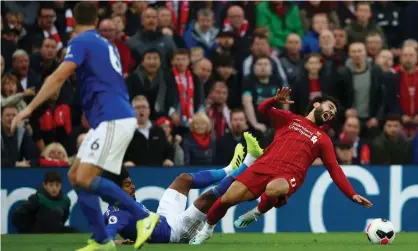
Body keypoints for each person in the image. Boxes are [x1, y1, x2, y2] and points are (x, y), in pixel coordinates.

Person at [10, 2, 159, 250]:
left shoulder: (81, 41)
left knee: (86, 178)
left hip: (113, 117)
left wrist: (28, 108)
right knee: (75, 176)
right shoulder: (107, 44)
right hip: (110, 118)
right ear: (97, 21)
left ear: (72, 22)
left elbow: (58, 76)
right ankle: (102, 239)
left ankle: (145, 217)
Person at [190, 88, 373, 244]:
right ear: (317, 104)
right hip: (262, 166)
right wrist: (274, 100)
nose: (331, 112)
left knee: (272, 189)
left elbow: (334, 169)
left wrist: (352, 194)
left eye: (333, 113)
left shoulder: (323, 140)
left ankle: (258, 211)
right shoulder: (289, 119)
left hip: (289, 175)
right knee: (227, 200)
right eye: (330, 107)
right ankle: (207, 230)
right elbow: (262, 109)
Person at [101, 132, 263, 244]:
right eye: (128, 185)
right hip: (175, 232)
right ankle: (250, 162)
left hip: (164, 217)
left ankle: (229, 169)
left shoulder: (110, 211)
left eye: (131, 183)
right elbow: (107, 237)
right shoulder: (119, 214)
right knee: (205, 199)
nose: (133, 187)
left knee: (183, 179)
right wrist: (117, 241)